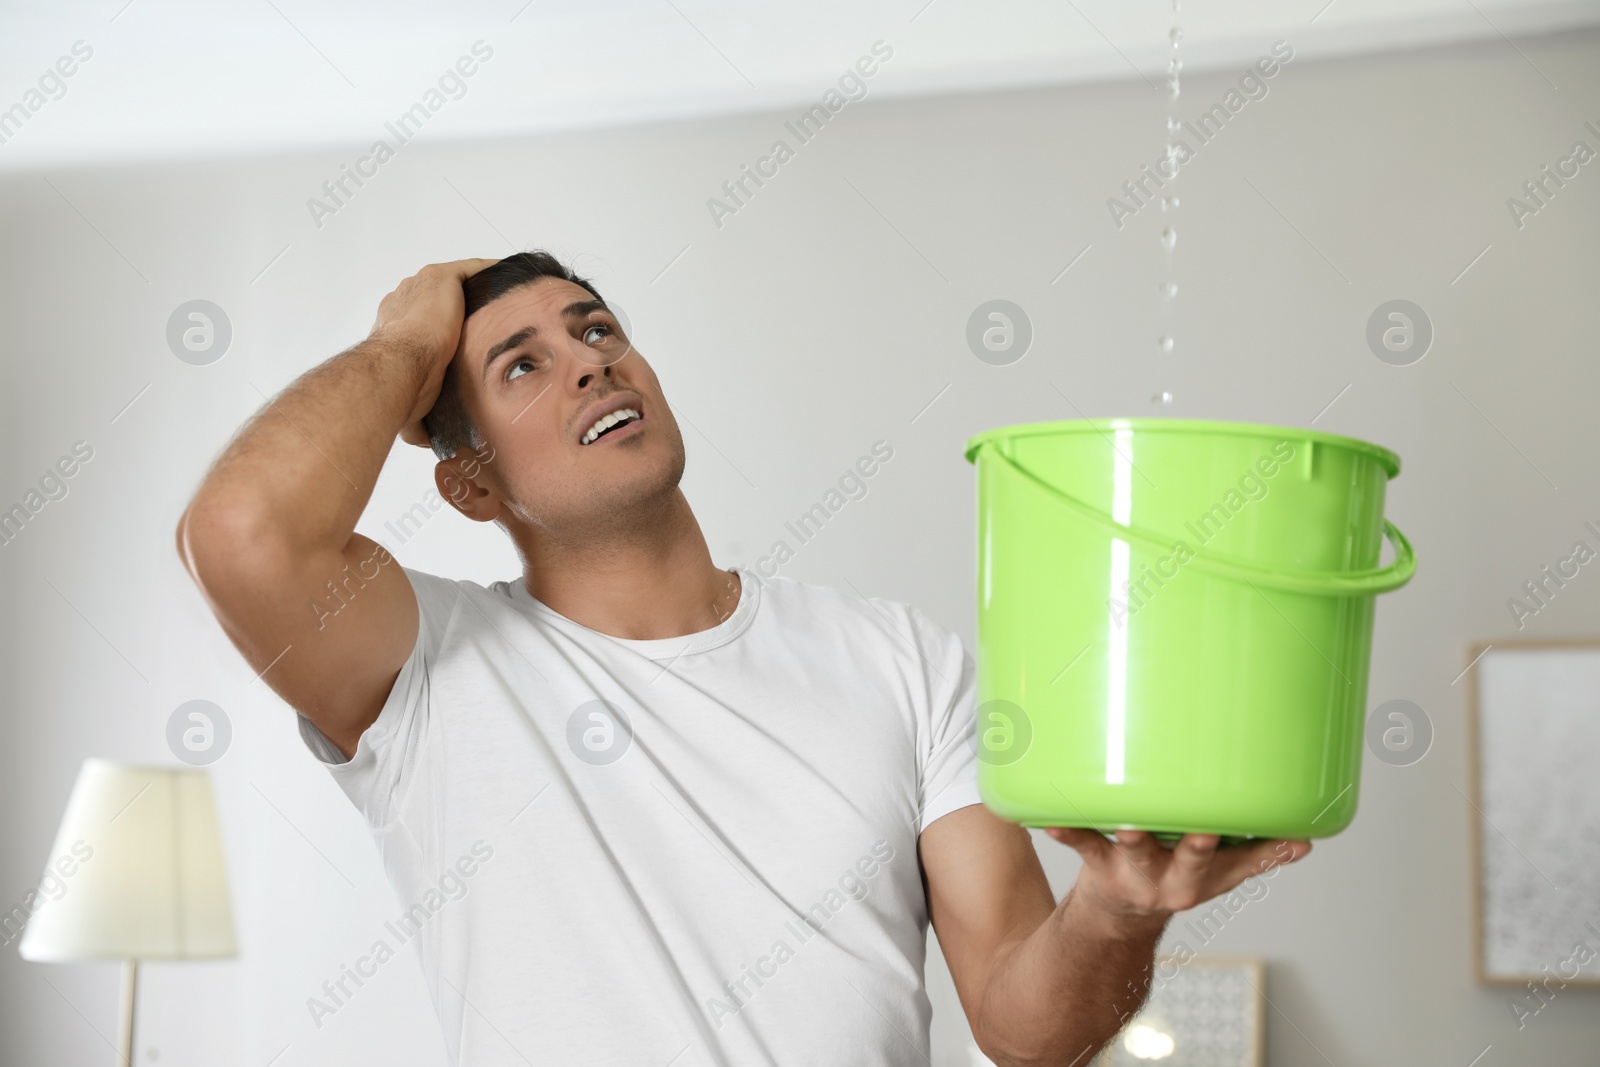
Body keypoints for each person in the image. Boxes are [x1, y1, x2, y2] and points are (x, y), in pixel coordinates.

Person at [176, 252, 1310, 1066]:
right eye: (520, 366)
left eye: (596, 328)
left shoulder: (899, 658)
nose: (588, 364)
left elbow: (1023, 1025)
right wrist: (403, 344)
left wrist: (1117, 908)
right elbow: (239, 532)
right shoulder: (424, 668)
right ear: (470, 485)